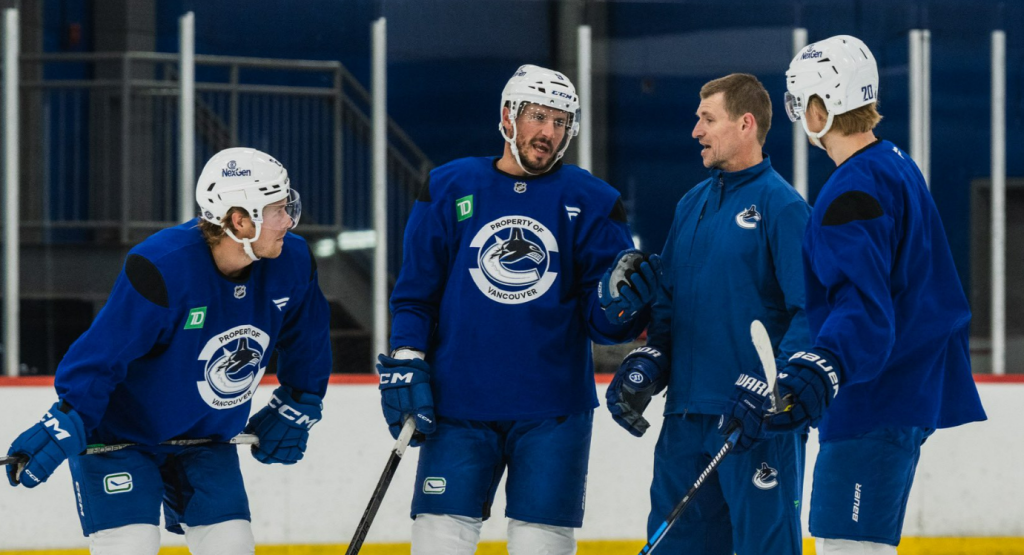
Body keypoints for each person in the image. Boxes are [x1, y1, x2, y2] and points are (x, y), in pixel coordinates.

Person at [730, 35, 987, 554]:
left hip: (876, 398)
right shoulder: (895, 164)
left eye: (801, 102)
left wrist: (821, 366)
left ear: (822, 108)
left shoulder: (851, 191)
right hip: (898, 391)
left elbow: (864, 309)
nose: (799, 114)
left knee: (847, 546)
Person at [376, 64, 647, 555]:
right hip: (457, 405)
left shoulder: (594, 200)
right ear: (508, 116)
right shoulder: (447, 187)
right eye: (538, 116)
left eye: (560, 121)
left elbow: (603, 325)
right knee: (438, 543)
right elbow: (415, 295)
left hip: (554, 411)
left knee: (541, 546)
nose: (548, 132)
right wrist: (409, 357)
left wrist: (623, 311)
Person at [5, 147, 332, 555]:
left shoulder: (294, 262)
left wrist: (300, 400)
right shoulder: (162, 266)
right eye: (278, 210)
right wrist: (67, 417)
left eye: (289, 207)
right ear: (239, 220)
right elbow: (102, 356)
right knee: (131, 545)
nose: (289, 221)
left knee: (232, 545)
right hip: (120, 439)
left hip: (204, 439)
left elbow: (308, 341)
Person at [604, 73, 811, 554]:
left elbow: (811, 314)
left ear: (745, 123)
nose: (696, 130)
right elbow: (668, 311)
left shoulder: (783, 207)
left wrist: (777, 393)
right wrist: (646, 365)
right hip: (685, 421)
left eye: (707, 119)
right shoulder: (690, 206)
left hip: (756, 424)